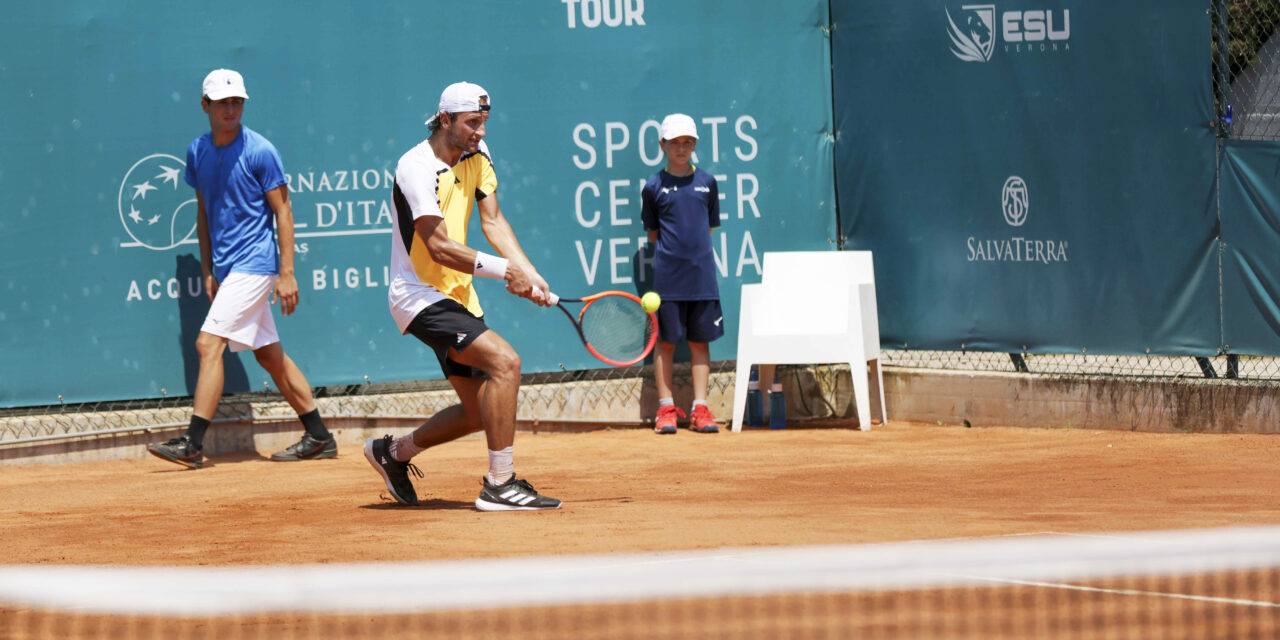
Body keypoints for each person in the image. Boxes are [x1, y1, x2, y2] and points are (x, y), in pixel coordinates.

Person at [363, 81, 560, 511]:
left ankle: (392, 454)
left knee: (477, 412)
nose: (481, 132)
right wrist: (505, 271)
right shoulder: (415, 167)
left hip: (458, 297)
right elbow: (439, 247)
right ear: (445, 119)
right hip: (418, 295)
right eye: (473, 122)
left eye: (484, 122)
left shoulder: (478, 154)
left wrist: (530, 274)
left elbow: (493, 222)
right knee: (506, 362)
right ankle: (500, 484)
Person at [147, 69, 335, 469]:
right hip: (230, 267)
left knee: (207, 344)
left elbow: (283, 211)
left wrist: (287, 272)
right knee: (270, 356)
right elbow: (204, 211)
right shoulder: (197, 151)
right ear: (206, 106)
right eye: (222, 102)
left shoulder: (260, 151)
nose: (231, 109)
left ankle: (193, 443)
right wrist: (209, 265)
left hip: (256, 262)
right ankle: (319, 434)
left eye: (237, 102)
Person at [642, 113, 724, 435]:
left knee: (700, 343)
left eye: (688, 142)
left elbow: (709, 228)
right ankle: (666, 408)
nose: (682, 148)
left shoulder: (708, 183)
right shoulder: (653, 187)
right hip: (668, 280)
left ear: (694, 146)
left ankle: (700, 408)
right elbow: (653, 234)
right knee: (665, 344)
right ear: (662, 145)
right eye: (675, 143)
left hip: (702, 278)